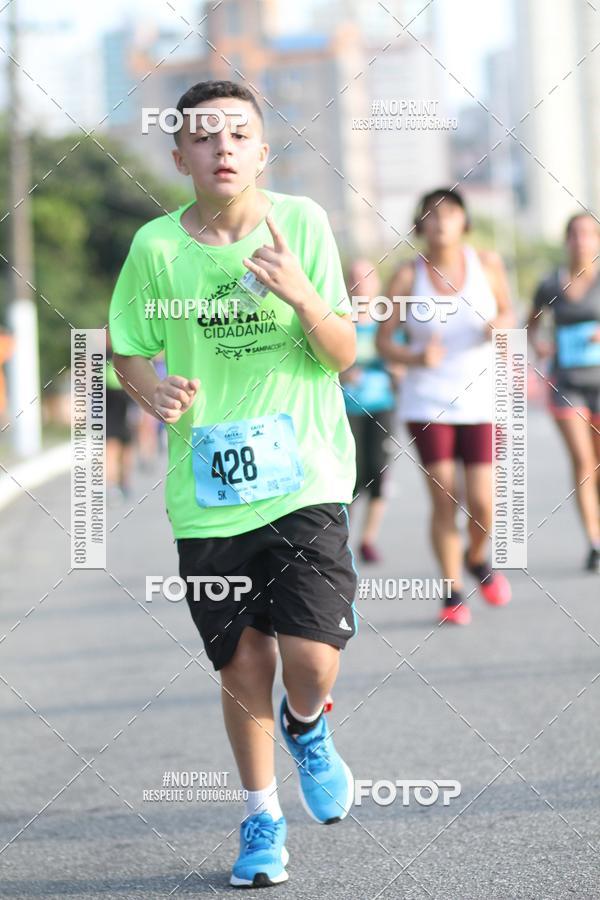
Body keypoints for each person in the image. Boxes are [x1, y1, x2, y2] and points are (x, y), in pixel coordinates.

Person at [109, 80, 358, 888]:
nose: (223, 149)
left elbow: (342, 354)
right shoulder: (154, 248)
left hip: (305, 475)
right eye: (205, 138)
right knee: (242, 661)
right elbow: (128, 348)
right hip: (207, 490)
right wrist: (151, 391)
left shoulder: (303, 226)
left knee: (311, 656)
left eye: (239, 135)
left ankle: (309, 724)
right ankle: (261, 819)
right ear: (178, 155)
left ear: (262, 149)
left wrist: (301, 293)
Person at [376, 188, 515, 625]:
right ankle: (452, 591)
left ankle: (477, 556)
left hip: (480, 397)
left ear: (464, 221)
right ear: (420, 225)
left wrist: (500, 326)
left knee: (483, 502)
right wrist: (416, 358)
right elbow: (383, 342)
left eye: (449, 213)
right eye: (430, 215)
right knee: (444, 499)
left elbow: (510, 312)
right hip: (427, 400)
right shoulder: (405, 277)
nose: (440, 222)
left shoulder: (487, 264)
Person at [527, 213, 600, 573]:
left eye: (589, 234)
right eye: (575, 234)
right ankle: (594, 540)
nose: (582, 241)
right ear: (566, 240)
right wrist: (539, 347)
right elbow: (531, 323)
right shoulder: (549, 284)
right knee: (584, 463)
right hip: (566, 384)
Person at [340, 259, 402, 562]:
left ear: (376, 283)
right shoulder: (339, 320)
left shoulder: (386, 323)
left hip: (382, 405)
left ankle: (368, 539)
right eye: (354, 277)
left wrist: (395, 367)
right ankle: (343, 540)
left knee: (379, 473)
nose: (360, 283)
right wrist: (342, 373)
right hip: (348, 407)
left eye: (365, 277)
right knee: (352, 475)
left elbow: (403, 361)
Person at [105, 337, 135, 502]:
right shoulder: (100, 357)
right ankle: (112, 486)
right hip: (109, 412)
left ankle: (124, 483)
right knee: (111, 449)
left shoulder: (126, 355)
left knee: (126, 450)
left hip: (126, 410)